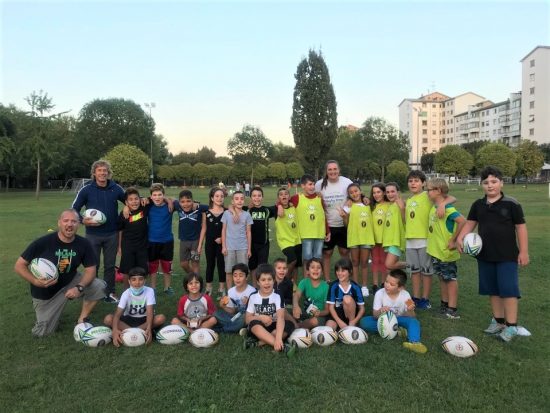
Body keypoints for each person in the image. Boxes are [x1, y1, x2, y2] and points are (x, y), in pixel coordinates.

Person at [457, 166, 529, 342]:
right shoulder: (478, 205)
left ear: (501, 183)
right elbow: (470, 223)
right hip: (485, 255)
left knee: (508, 290)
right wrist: (460, 238)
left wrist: (524, 251)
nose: (490, 185)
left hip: (507, 256)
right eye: (486, 182)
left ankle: (511, 326)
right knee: (493, 290)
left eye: (494, 181)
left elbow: (521, 228)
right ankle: (498, 322)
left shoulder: (512, 203)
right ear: (482, 185)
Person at [14, 209, 106, 337]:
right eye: (66, 221)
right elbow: (19, 265)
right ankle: (51, 315)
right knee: (43, 332)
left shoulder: (84, 243)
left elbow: (91, 270)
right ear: (59, 223)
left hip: (70, 281)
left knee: (98, 285)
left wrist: (79, 287)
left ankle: (82, 320)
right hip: (46, 292)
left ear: (79, 224)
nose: (69, 224)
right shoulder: (42, 242)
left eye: (74, 221)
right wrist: (35, 281)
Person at [72, 160, 125, 303]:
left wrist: (128, 206)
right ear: (94, 173)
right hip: (92, 235)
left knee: (110, 265)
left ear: (108, 173)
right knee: (93, 266)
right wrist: (82, 220)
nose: (102, 173)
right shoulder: (86, 189)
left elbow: (130, 201)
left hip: (112, 234)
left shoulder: (116, 188)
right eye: (99, 170)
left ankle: (109, 293)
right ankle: (93, 292)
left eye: (105, 170)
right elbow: (74, 208)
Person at [405, 170, 454, 310]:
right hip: (410, 241)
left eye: (416, 181)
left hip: (425, 240)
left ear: (423, 183)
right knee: (414, 271)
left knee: (426, 271)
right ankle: (416, 297)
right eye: (410, 181)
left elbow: (451, 198)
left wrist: (443, 204)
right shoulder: (409, 200)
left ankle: (425, 299)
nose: (413, 183)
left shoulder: (428, 196)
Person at [360, 269, 428, 354]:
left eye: (391, 284)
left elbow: (413, 316)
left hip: (400, 319)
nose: (387, 285)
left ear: (400, 288)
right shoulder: (379, 293)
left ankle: (414, 342)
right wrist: (381, 311)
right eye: (386, 281)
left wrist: (410, 311)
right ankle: (398, 330)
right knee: (364, 322)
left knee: (414, 322)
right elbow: (375, 315)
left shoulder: (406, 295)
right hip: (384, 321)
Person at [426, 178, 466, 319]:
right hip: (436, 250)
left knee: (450, 279)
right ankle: (444, 305)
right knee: (442, 278)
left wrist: (454, 240)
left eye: (429, 190)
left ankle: (452, 309)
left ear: (438, 191)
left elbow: (462, 221)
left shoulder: (448, 209)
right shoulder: (436, 206)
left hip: (446, 251)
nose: (427, 192)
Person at [243, 263, 296, 357]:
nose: (266, 283)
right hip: (259, 328)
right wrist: (260, 317)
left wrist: (278, 338)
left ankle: (258, 343)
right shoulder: (253, 296)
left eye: (269, 279)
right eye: (263, 280)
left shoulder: (278, 295)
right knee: (254, 324)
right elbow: (247, 319)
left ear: (274, 280)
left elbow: (280, 317)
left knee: (289, 324)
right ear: (258, 282)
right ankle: (283, 347)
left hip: (274, 326)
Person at [104, 266, 165, 346]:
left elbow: (150, 312)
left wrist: (149, 328)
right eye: (134, 279)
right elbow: (118, 314)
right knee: (108, 319)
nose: (137, 282)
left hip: (145, 319)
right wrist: (115, 330)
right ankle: (138, 332)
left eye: (140, 279)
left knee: (161, 318)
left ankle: (132, 332)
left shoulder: (149, 291)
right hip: (129, 319)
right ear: (129, 281)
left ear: (145, 280)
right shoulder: (126, 293)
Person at [315, 160, 353, 279]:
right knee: (327, 253)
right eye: (330, 169)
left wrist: (351, 200)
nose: (333, 172)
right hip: (328, 225)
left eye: (335, 169)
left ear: (339, 170)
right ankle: (327, 280)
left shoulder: (347, 182)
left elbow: (355, 194)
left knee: (345, 252)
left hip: (344, 224)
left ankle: (345, 278)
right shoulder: (319, 184)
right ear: (326, 171)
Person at [340, 182, 375, 297]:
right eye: (351, 193)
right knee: (355, 262)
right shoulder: (348, 206)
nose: (354, 194)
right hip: (354, 237)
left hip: (366, 237)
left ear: (360, 191)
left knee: (364, 262)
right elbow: (346, 224)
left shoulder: (367, 204)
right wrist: (344, 217)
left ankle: (364, 286)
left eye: (356, 191)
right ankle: (355, 285)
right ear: (349, 195)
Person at [290, 174, 329, 273]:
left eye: (313, 184)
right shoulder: (296, 198)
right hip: (305, 235)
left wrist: (327, 231)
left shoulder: (319, 198)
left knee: (318, 258)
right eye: (310, 184)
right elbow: (283, 201)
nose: (312, 187)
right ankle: (307, 279)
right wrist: (279, 205)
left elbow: (323, 215)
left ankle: (316, 279)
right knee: (307, 259)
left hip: (319, 234)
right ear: (303, 186)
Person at [242, 186, 278, 282]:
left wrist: (281, 205)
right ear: (250, 197)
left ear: (262, 197)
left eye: (259, 195)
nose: (257, 198)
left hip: (263, 244)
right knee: (252, 266)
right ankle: (255, 286)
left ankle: (261, 286)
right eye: (254, 196)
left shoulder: (267, 210)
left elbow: (279, 205)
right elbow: (231, 207)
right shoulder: (247, 210)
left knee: (262, 267)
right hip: (250, 244)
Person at [117, 187, 149, 290]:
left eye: (136, 199)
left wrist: (144, 198)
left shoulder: (144, 207)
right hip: (128, 246)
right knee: (127, 270)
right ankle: (126, 292)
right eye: (130, 200)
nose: (134, 202)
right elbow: (120, 230)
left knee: (143, 269)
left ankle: (143, 292)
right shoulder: (123, 213)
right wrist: (119, 246)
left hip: (142, 246)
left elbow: (156, 198)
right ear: (126, 202)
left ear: (140, 199)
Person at [221, 190, 253, 293]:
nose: (239, 201)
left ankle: (243, 292)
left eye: (242, 199)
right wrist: (224, 246)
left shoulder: (247, 215)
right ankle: (230, 293)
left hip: (243, 247)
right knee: (229, 271)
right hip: (229, 248)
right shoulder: (226, 213)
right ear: (232, 201)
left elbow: (248, 232)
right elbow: (223, 230)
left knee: (243, 271)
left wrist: (249, 249)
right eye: (236, 199)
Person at [197, 187, 227, 297]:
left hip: (223, 244)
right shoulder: (206, 212)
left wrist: (222, 239)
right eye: (217, 196)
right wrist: (200, 245)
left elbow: (229, 230)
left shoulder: (227, 212)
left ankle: (221, 288)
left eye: (222, 196)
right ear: (212, 198)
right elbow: (204, 229)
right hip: (210, 243)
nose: (219, 198)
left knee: (221, 265)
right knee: (210, 264)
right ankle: (208, 287)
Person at [147, 183, 176, 295]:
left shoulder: (170, 206)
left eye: (160, 195)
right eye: (154, 195)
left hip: (167, 241)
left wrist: (169, 200)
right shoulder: (148, 205)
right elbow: (137, 199)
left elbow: (178, 200)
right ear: (151, 196)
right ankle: (153, 288)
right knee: (153, 266)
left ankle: (167, 287)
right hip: (152, 241)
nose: (157, 197)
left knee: (167, 266)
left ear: (163, 195)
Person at [174, 189, 208, 275]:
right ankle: (192, 276)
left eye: (188, 201)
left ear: (192, 201)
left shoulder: (199, 208)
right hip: (183, 241)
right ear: (179, 202)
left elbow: (214, 207)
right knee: (183, 264)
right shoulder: (177, 206)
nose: (186, 204)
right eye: (182, 202)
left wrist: (198, 203)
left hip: (195, 242)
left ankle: (196, 280)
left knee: (195, 263)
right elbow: (169, 199)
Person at [325, 258, 365, 331]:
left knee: (347, 298)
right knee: (328, 329)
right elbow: (331, 307)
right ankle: (339, 327)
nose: (339, 273)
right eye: (338, 270)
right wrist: (339, 322)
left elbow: (362, 308)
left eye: (343, 271)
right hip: (337, 315)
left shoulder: (355, 287)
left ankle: (351, 326)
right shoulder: (333, 286)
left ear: (350, 271)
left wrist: (354, 321)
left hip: (351, 316)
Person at [214, 263, 256, 333]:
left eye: (241, 275)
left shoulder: (252, 291)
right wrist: (223, 306)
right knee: (216, 314)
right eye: (235, 275)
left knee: (244, 317)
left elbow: (256, 311)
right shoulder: (231, 291)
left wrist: (249, 303)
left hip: (246, 316)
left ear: (246, 277)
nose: (237, 278)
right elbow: (232, 311)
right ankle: (236, 326)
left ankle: (223, 329)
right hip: (235, 316)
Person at [274, 187, 302, 283]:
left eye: (286, 194)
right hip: (285, 241)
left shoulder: (294, 206)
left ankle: (294, 284)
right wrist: (278, 205)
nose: (284, 196)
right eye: (281, 194)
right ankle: (284, 281)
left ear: (289, 197)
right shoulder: (276, 209)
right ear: (278, 198)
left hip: (297, 240)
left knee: (296, 265)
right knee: (293, 260)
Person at [292, 258, 329, 329]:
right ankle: (301, 324)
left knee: (313, 321)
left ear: (322, 272)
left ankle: (296, 327)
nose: (315, 270)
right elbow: (297, 295)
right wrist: (296, 306)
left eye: (318, 268)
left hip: (319, 316)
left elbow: (327, 310)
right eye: (312, 267)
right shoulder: (304, 282)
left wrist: (319, 313)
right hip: (306, 313)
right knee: (291, 312)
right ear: (307, 271)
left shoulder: (326, 287)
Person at [369, 183, 389, 294]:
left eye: (378, 192)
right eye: (374, 193)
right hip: (374, 239)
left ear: (384, 193)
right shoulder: (371, 206)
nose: (376, 195)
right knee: (375, 261)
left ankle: (383, 283)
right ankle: (375, 285)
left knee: (384, 261)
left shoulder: (389, 205)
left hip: (385, 239)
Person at [383, 182, 407, 271]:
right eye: (388, 192)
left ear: (398, 192)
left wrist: (402, 208)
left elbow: (406, 221)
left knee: (389, 264)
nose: (390, 194)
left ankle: (413, 264)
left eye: (393, 191)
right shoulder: (390, 205)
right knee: (391, 268)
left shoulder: (401, 204)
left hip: (396, 240)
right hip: (389, 240)